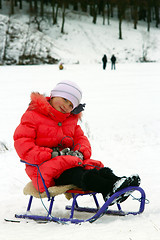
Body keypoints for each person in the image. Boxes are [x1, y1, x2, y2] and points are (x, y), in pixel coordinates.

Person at [13, 80, 140, 204]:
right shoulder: (33, 116)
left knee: (93, 167)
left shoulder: (70, 121)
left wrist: (80, 152)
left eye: (71, 105)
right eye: (65, 100)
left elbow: (81, 139)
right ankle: (108, 189)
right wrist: (52, 154)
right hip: (45, 170)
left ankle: (119, 183)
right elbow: (24, 147)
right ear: (53, 95)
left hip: (69, 162)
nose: (66, 106)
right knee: (79, 174)